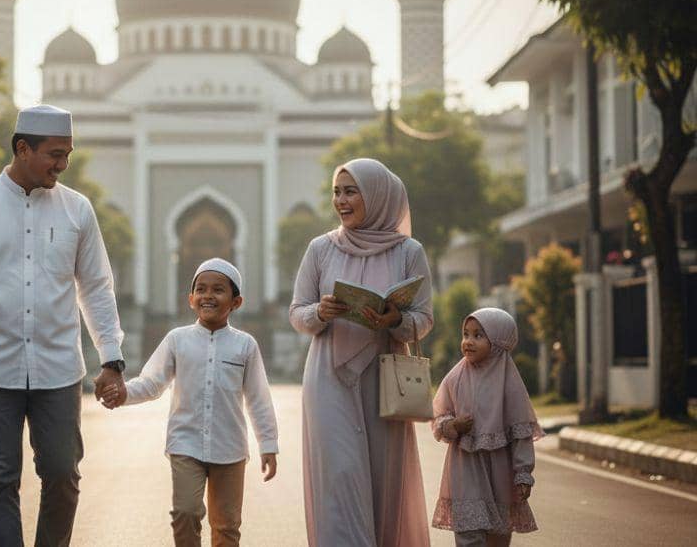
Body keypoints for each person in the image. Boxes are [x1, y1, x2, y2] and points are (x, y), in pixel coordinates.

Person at [0, 104, 127, 547]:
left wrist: (111, 358)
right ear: (22, 148)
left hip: (58, 370)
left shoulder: (78, 210)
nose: (62, 164)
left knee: (63, 474)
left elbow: (96, 288)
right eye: (55, 154)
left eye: (67, 154)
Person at [289, 158, 433, 547]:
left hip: (384, 379)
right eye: (337, 192)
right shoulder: (321, 249)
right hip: (328, 378)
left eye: (351, 192)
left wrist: (394, 319)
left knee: (384, 478)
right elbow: (297, 313)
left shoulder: (408, 252)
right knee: (339, 475)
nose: (341, 200)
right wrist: (320, 312)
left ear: (377, 196)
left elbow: (423, 319)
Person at [102, 258, 278, 547]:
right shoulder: (177, 340)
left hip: (230, 448)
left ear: (236, 302)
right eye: (201, 289)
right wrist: (123, 394)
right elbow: (151, 382)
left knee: (227, 526)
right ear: (191, 298)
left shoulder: (245, 345)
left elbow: (258, 398)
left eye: (218, 290)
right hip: (185, 444)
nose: (208, 295)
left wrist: (268, 444)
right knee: (185, 512)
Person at [431, 307, 542, 547]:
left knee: (498, 535)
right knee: (468, 532)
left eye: (478, 335)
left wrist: (523, 473)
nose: (468, 341)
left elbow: (521, 432)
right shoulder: (455, 377)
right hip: (465, 466)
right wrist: (452, 425)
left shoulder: (510, 384)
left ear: (499, 342)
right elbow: (438, 416)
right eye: (466, 334)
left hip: (500, 470)